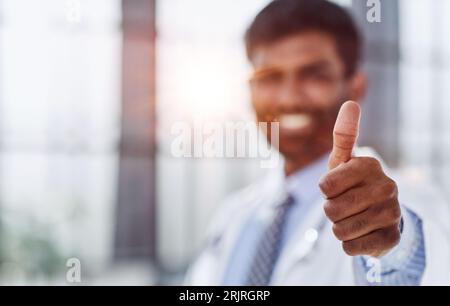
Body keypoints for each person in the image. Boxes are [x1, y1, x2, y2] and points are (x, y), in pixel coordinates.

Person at [185, 0, 450, 285]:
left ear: (355, 87)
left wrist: (392, 246)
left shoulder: (403, 207)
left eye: (314, 76)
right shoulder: (234, 215)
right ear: (250, 89)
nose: (288, 99)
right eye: (270, 77)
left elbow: (414, 263)